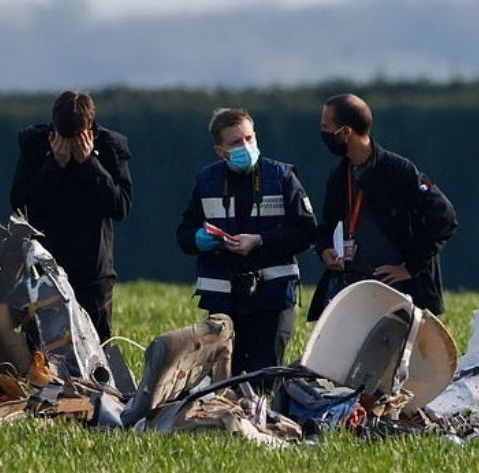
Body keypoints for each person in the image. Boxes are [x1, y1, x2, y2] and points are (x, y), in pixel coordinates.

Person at [177, 108, 317, 378]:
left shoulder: (282, 176)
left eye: (249, 138)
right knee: (224, 377)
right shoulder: (207, 180)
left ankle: (265, 419)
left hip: (272, 297)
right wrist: (199, 240)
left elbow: (307, 231)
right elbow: (184, 234)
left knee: (264, 375)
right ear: (220, 150)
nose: (246, 146)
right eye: (236, 143)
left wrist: (260, 241)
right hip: (224, 298)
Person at [308, 93, 457, 321]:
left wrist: (411, 267)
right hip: (352, 288)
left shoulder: (400, 171)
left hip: (398, 293)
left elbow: (444, 218)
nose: (323, 134)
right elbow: (328, 224)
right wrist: (325, 249)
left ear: (346, 132)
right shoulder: (340, 175)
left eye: (326, 127)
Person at [10, 90, 133, 343]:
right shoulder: (35, 145)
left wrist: (90, 164)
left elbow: (120, 206)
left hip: (93, 272)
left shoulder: (110, 148)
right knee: (40, 344)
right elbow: (22, 206)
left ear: (89, 130)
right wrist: (55, 165)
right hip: (46, 267)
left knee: (96, 345)